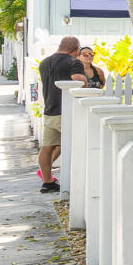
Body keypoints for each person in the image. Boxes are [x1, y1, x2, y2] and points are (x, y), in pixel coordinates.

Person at [34, 35, 105, 193]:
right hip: (67, 111)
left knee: (47, 147)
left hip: (50, 109)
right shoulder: (73, 62)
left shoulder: (45, 62)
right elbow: (79, 80)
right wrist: (86, 88)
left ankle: (47, 182)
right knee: (75, 144)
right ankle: (75, 180)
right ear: (76, 49)